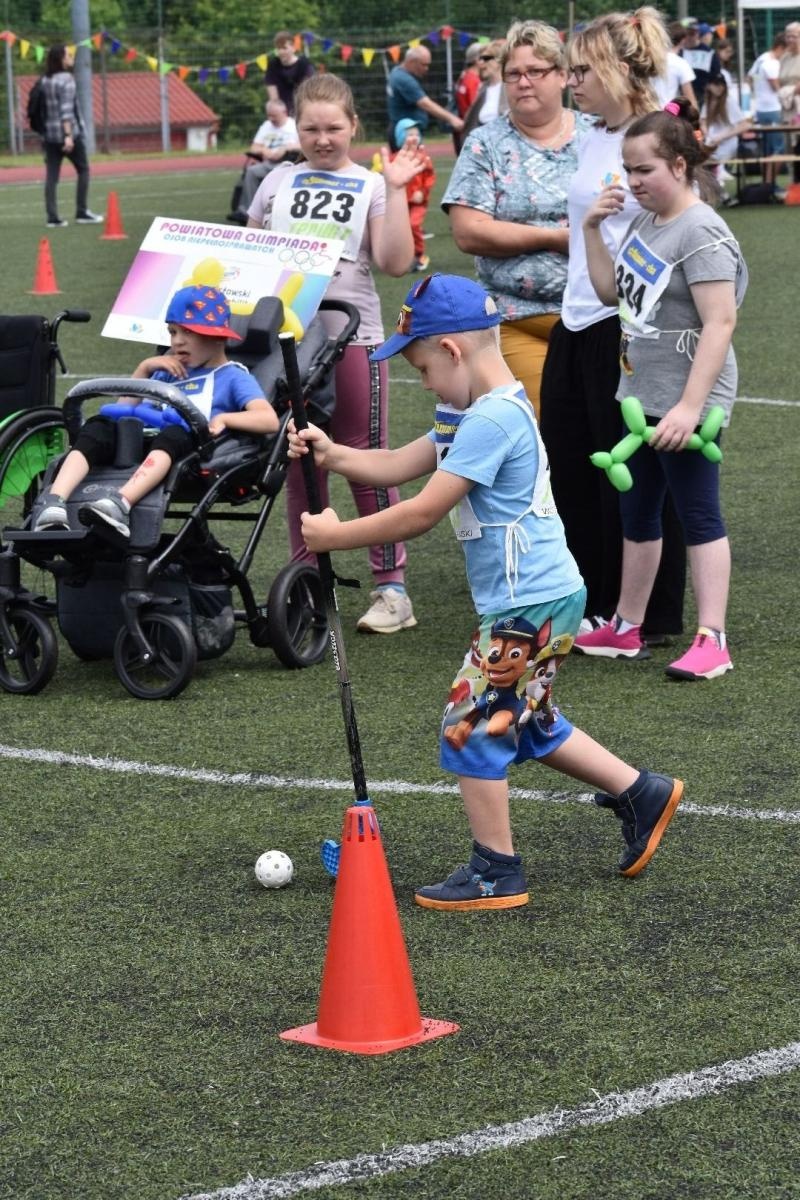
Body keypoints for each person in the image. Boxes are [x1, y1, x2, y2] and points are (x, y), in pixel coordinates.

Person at [288, 273, 683, 909]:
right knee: (526, 720)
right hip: (539, 598)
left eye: (423, 369)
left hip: (529, 604)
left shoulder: (493, 420)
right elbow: (399, 463)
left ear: (452, 351)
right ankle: (642, 792)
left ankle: (496, 870)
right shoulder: (469, 411)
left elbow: (421, 511)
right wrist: (333, 454)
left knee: (469, 726)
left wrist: (336, 537)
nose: (424, 383)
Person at [248, 73, 425, 634]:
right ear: (295, 130)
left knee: (363, 457)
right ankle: (308, 580)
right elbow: (248, 255)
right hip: (288, 344)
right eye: (310, 129)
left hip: (352, 338)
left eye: (333, 128)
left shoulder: (371, 184)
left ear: (353, 126)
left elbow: (395, 263)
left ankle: (392, 588)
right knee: (299, 458)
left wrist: (396, 188)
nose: (322, 139)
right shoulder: (275, 180)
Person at [575, 104, 746, 680]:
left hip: (684, 400)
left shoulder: (700, 230)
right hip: (642, 395)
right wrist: (591, 229)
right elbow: (610, 294)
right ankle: (626, 627)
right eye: (628, 169)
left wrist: (691, 408)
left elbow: (720, 321)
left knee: (699, 513)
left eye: (644, 169)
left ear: (679, 165)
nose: (633, 180)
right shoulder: (646, 222)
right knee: (638, 510)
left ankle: (713, 638)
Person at [539, 7, 687, 644]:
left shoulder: (657, 136)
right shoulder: (592, 135)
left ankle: (648, 615)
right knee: (572, 465)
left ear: (617, 70)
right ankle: (592, 600)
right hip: (576, 318)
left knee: (631, 473)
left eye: (581, 71)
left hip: (626, 325)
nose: (571, 82)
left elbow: (686, 224)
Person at [33, 286, 278, 537]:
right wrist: (145, 368)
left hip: (184, 446)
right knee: (99, 426)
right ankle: (53, 502)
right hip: (140, 438)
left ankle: (119, 503)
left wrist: (224, 417)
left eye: (188, 332)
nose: (177, 341)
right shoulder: (167, 370)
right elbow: (123, 410)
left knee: (173, 433)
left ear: (218, 337)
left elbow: (268, 420)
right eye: (172, 332)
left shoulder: (233, 376)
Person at [443, 20, 594, 417]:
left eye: (535, 71)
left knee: (608, 426)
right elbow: (468, 232)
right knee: (549, 426)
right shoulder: (484, 143)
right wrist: (554, 238)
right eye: (513, 74)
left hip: (598, 313)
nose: (523, 82)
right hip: (516, 316)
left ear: (562, 75)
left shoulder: (598, 135)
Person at [39, 44, 102, 228]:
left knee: (52, 176)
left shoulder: (45, 80)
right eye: (68, 55)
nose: (71, 57)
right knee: (83, 170)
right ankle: (82, 211)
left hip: (49, 135)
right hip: (68, 134)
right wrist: (68, 135)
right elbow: (66, 110)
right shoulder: (67, 79)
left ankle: (52, 217)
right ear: (61, 59)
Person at [228, 100, 300, 224]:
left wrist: (286, 148)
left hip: (287, 163)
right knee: (251, 171)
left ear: (284, 112)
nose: (271, 118)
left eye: (274, 115)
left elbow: (302, 146)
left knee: (280, 173)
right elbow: (254, 148)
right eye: (269, 115)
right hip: (268, 163)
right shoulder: (266, 126)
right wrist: (264, 150)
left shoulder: (293, 125)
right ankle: (246, 211)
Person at [386, 46, 463, 149]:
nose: (426, 69)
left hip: (405, 132)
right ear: (411, 62)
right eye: (423, 64)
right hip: (406, 135)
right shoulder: (404, 80)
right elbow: (425, 104)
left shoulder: (396, 72)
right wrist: (452, 119)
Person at [392, 119, 436, 272]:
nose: (415, 137)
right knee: (399, 229)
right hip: (400, 202)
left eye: (417, 134)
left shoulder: (423, 158)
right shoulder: (395, 157)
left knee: (413, 225)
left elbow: (430, 177)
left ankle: (419, 255)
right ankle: (404, 255)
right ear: (400, 137)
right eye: (410, 134)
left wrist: (422, 192)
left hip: (418, 202)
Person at [748, 34, 788, 193]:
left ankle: (767, 183)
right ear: (781, 48)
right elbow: (777, 88)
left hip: (761, 109)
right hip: (773, 110)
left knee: (767, 150)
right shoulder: (772, 63)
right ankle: (770, 185)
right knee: (778, 150)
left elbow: (749, 78)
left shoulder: (761, 58)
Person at [701, 76, 752, 185]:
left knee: (709, 159)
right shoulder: (708, 102)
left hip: (727, 143)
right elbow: (703, 121)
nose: (719, 87)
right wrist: (706, 134)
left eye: (722, 84)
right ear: (709, 86)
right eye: (716, 84)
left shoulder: (729, 101)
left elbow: (745, 125)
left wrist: (722, 137)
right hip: (711, 142)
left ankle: (719, 173)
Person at [460, 40, 509, 139]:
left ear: (498, 61)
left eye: (486, 59)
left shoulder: (511, 87)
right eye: (480, 59)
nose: (480, 63)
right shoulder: (483, 89)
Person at [264, 31, 315, 115]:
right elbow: (273, 97)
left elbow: (308, 94)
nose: (281, 52)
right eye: (278, 48)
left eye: (284, 48)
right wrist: (280, 113)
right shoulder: (273, 65)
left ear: (293, 48)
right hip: (281, 113)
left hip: (302, 110)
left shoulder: (304, 65)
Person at [679, 21, 722, 109]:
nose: (689, 37)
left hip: (702, 95)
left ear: (698, 34)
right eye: (686, 34)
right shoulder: (679, 52)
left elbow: (715, 75)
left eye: (692, 34)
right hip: (681, 94)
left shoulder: (709, 53)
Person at [779, 22, 800, 182]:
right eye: (788, 36)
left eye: (794, 36)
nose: (791, 39)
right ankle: (795, 183)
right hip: (787, 107)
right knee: (790, 147)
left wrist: (793, 91)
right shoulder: (785, 57)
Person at [453, 43, 482, 152]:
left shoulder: (464, 77)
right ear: (477, 60)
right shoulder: (473, 81)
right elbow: (476, 108)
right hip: (472, 130)